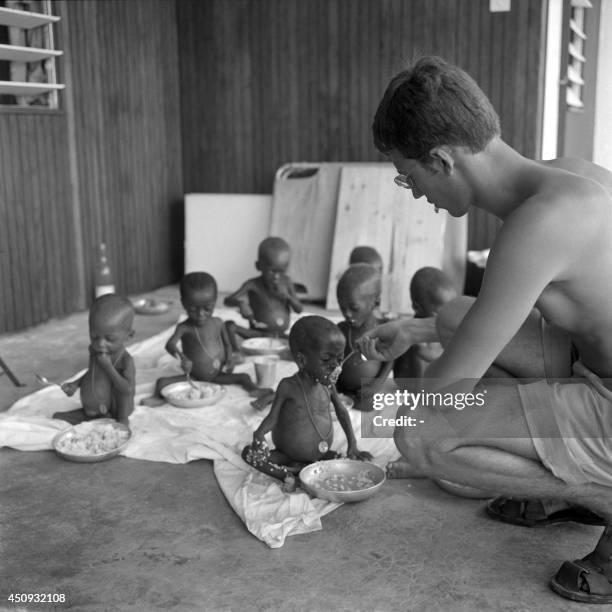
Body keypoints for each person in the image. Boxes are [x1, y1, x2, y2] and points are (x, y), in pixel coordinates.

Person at [355, 55, 612, 603]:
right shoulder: (566, 176)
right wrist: (417, 330)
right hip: (594, 362)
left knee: (420, 434)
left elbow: (447, 393)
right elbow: (475, 327)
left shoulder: (536, 227)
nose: (412, 189)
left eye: (408, 174)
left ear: (442, 159)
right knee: (451, 318)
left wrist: (372, 403)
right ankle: (560, 487)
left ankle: (601, 497)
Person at [242, 315, 373, 491]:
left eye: (339, 359)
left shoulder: (329, 385)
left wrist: (353, 445)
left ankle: (302, 470)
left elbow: (341, 411)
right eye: (327, 360)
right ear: (302, 360)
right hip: (286, 455)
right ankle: (286, 475)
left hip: (322, 454)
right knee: (249, 454)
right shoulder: (288, 386)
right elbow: (272, 418)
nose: (335, 366)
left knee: (345, 463)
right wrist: (259, 434)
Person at [141, 272, 270, 406]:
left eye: (207, 309)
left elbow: (227, 345)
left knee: (244, 377)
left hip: (217, 373)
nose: (200, 314)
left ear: (214, 302)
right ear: (184, 304)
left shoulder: (218, 323)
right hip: (194, 376)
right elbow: (170, 345)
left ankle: (255, 390)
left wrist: (229, 360)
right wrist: (182, 357)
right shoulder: (184, 327)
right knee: (161, 382)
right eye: (192, 309)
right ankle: (158, 398)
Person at [53, 294, 136, 426]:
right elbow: (92, 372)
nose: (100, 344)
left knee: (122, 396)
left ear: (129, 335)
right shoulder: (95, 350)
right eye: (94, 336)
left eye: (110, 339)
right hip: (98, 405)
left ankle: (122, 419)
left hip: (117, 408)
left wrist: (109, 367)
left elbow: (127, 390)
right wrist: (75, 384)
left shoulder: (126, 361)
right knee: (58, 417)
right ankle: (91, 414)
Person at [224, 236, 303, 349]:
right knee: (229, 326)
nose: (276, 276)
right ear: (258, 266)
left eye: (281, 271)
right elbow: (227, 301)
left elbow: (299, 309)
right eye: (272, 271)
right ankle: (236, 352)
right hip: (257, 335)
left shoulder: (287, 282)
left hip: (281, 335)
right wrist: (240, 303)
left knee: (305, 334)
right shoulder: (253, 284)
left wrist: (287, 296)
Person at [335, 263, 394, 411]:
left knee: (367, 405)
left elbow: (390, 361)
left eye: (354, 308)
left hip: (367, 389)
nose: (347, 314)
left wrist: (376, 385)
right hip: (341, 388)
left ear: (376, 302)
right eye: (342, 308)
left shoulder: (383, 330)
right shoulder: (342, 329)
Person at [393, 267, 458, 382]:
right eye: (440, 312)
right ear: (417, 308)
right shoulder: (411, 331)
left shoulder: (442, 326)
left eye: (452, 308)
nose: (449, 315)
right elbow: (428, 355)